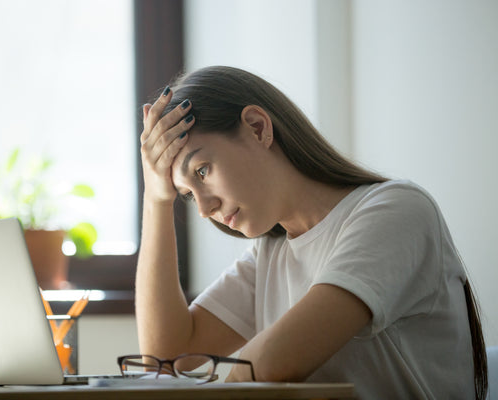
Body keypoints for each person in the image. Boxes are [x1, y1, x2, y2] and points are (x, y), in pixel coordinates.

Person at [135, 65, 487, 399]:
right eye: (186, 195)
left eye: (201, 171)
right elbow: (166, 358)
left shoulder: (397, 211)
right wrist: (155, 198)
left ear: (257, 127)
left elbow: (272, 363)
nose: (203, 208)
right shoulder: (270, 253)